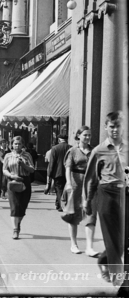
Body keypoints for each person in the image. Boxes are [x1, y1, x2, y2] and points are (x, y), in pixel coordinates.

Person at [84, 111, 128, 286]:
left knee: (124, 239)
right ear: (105, 127)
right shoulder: (98, 150)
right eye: (112, 126)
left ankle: (104, 260)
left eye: (118, 126)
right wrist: (87, 202)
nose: (115, 130)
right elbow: (90, 179)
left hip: (125, 194)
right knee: (110, 236)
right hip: (106, 194)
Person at [63, 126, 99, 256]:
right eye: (85, 135)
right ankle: (74, 244)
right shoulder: (72, 151)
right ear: (78, 136)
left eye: (89, 135)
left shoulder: (94, 151)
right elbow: (68, 167)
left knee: (91, 214)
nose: (88, 137)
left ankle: (89, 247)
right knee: (74, 215)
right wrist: (68, 183)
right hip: (75, 184)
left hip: (90, 185)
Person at [2, 135, 35, 239]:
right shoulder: (8, 155)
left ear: (22, 145)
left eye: (19, 144)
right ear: (12, 144)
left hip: (25, 181)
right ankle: (15, 230)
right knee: (14, 206)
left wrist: (24, 165)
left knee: (23, 206)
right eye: (15, 143)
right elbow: (4, 169)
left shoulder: (27, 155)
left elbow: (32, 169)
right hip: (12, 181)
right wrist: (11, 175)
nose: (17, 145)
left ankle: (18, 222)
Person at [49, 135, 72, 211]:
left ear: (59, 140)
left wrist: (50, 174)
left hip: (58, 173)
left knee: (59, 189)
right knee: (65, 190)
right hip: (69, 173)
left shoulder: (55, 148)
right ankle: (59, 204)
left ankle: (61, 206)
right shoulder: (71, 148)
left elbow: (52, 163)